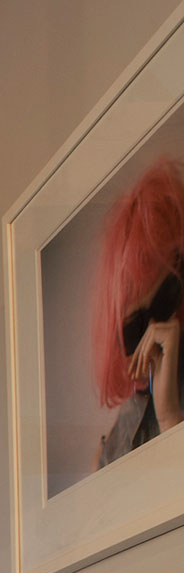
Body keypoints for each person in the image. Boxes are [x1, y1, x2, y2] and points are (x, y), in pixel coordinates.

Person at [94, 158, 184, 468]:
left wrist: (171, 417)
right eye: (135, 328)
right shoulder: (115, 443)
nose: (152, 336)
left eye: (165, 301)